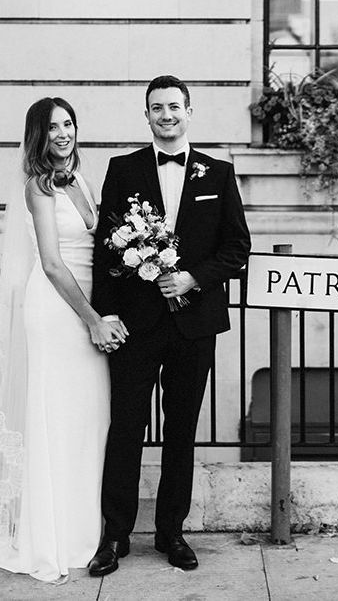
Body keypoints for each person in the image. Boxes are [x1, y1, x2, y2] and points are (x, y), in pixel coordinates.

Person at [88, 75, 250, 576]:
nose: (167, 115)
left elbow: (237, 251)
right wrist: (106, 313)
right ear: (147, 115)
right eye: (157, 108)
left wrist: (191, 279)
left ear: (189, 111)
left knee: (181, 431)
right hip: (136, 326)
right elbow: (106, 252)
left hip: (193, 326)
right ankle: (114, 536)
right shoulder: (123, 169)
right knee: (125, 429)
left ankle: (171, 532)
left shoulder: (218, 174)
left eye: (174, 106)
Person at [0, 97, 127, 582]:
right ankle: (50, 537)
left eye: (69, 123)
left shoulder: (83, 181)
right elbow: (52, 263)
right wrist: (94, 318)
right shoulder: (38, 188)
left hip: (88, 308)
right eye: (52, 127)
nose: (63, 133)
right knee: (54, 421)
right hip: (57, 312)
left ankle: (84, 534)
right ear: (38, 135)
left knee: (90, 420)